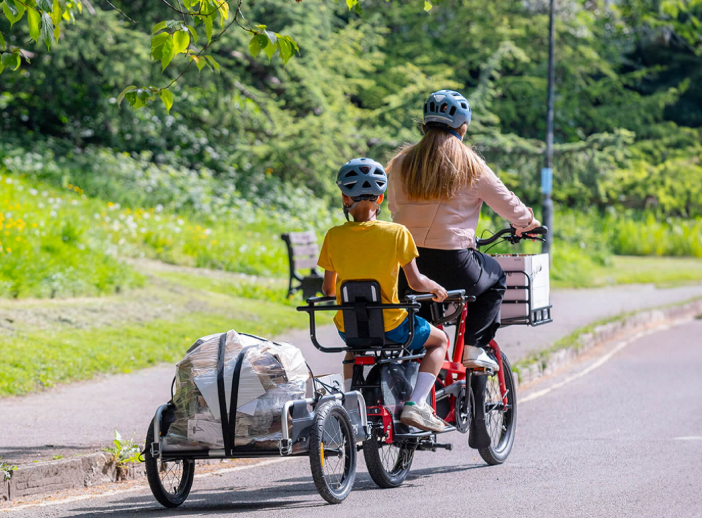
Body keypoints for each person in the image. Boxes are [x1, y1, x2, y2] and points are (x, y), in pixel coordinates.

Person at [386, 90, 540, 446]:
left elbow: (394, 208)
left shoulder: (402, 162)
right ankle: (474, 347)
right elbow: (510, 206)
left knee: (422, 323)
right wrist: (528, 222)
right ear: (464, 127)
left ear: (424, 124)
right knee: (496, 276)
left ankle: (420, 390)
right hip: (454, 262)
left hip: (407, 263)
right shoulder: (470, 164)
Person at [317, 157, 450, 433]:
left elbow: (329, 290)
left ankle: (351, 406)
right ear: (380, 197)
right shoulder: (397, 233)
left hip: (350, 328)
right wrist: (436, 288)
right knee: (440, 341)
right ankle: (416, 404)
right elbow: (415, 282)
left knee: (354, 351)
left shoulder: (333, 236)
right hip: (393, 325)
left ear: (345, 197)